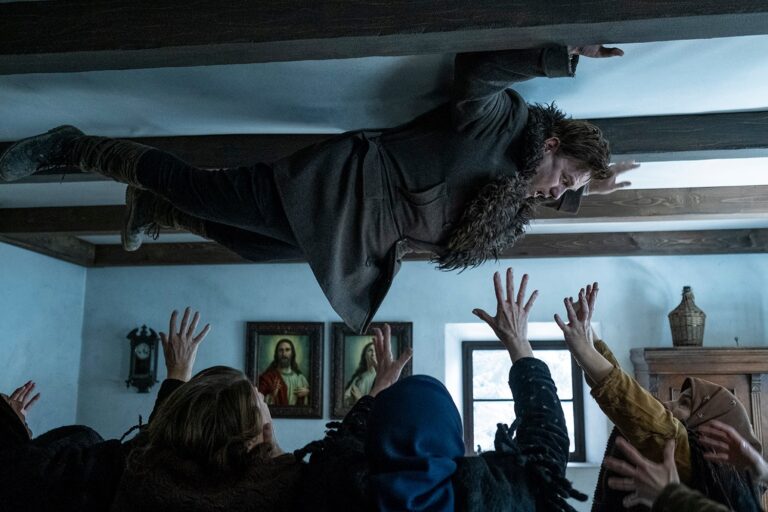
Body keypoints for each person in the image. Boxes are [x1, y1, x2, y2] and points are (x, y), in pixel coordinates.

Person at [0, 45, 630, 334]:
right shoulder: (504, 123)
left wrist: (588, 189)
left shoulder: (514, 198)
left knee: (252, 246)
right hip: (337, 190)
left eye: (566, 193)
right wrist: (557, 54)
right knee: (200, 190)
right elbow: (477, 69)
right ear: (551, 144)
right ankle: (71, 146)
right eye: (564, 179)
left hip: (358, 240)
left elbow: (550, 187)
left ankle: (155, 208)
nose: (557, 195)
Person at [295, 268, 586, 511]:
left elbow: (339, 446)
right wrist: (518, 342)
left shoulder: (339, 490)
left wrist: (379, 388)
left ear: (377, 435)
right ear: (453, 435)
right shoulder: (495, 497)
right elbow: (546, 444)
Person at [554, 284, 764, 511]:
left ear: (711, 424)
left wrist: (585, 350)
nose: (669, 404)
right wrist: (588, 336)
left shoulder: (688, 455)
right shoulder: (719, 481)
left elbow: (640, 411)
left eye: (685, 403)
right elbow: (637, 400)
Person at [111, 307, 303, 512]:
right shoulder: (282, 489)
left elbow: (154, 438)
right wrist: (276, 452)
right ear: (252, 438)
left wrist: (177, 374)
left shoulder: (138, 472)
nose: (262, 397)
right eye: (260, 403)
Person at [258, 338, 310, 406]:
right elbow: (258, 402)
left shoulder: (300, 379)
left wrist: (308, 392)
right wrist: (272, 395)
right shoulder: (268, 378)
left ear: (292, 353)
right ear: (276, 354)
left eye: (287, 350)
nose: (284, 354)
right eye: (281, 350)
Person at [343, 341, 377, 407]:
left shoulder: (381, 377)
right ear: (365, 355)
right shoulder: (359, 378)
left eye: (375, 351)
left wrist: (360, 399)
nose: (373, 354)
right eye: (370, 350)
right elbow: (346, 398)